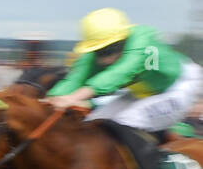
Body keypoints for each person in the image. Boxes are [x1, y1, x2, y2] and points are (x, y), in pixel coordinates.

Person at [46, 8, 203, 134]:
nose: (105, 59)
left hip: (179, 86)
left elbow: (122, 71)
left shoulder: (142, 43)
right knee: (93, 124)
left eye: (111, 50)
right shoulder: (93, 55)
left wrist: (73, 97)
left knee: (124, 123)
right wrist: (50, 100)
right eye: (100, 52)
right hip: (143, 93)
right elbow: (75, 78)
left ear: (124, 39)